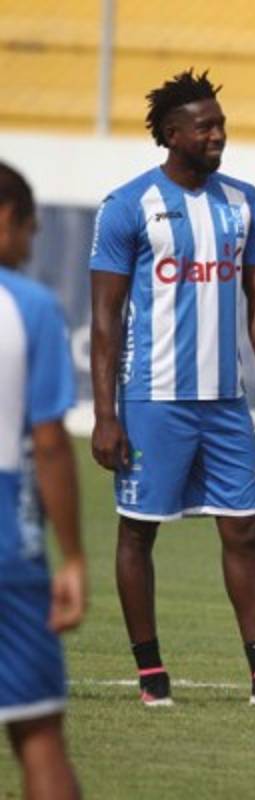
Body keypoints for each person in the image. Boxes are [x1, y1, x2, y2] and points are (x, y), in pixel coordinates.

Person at [88, 69, 255, 711]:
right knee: (140, 531)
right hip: (152, 399)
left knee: (246, 531)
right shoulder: (127, 207)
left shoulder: (242, 202)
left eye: (221, 124)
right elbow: (103, 319)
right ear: (171, 134)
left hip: (224, 402)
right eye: (204, 126)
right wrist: (105, 414)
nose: (217, 135)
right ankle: (150, 672)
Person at [0, 161, 87, 799]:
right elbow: (50, 444)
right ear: (9, 219)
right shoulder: (27, 307)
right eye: (31, 231)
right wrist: (74, 558)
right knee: (39, 737)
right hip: (8, 545)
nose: (31, 247)